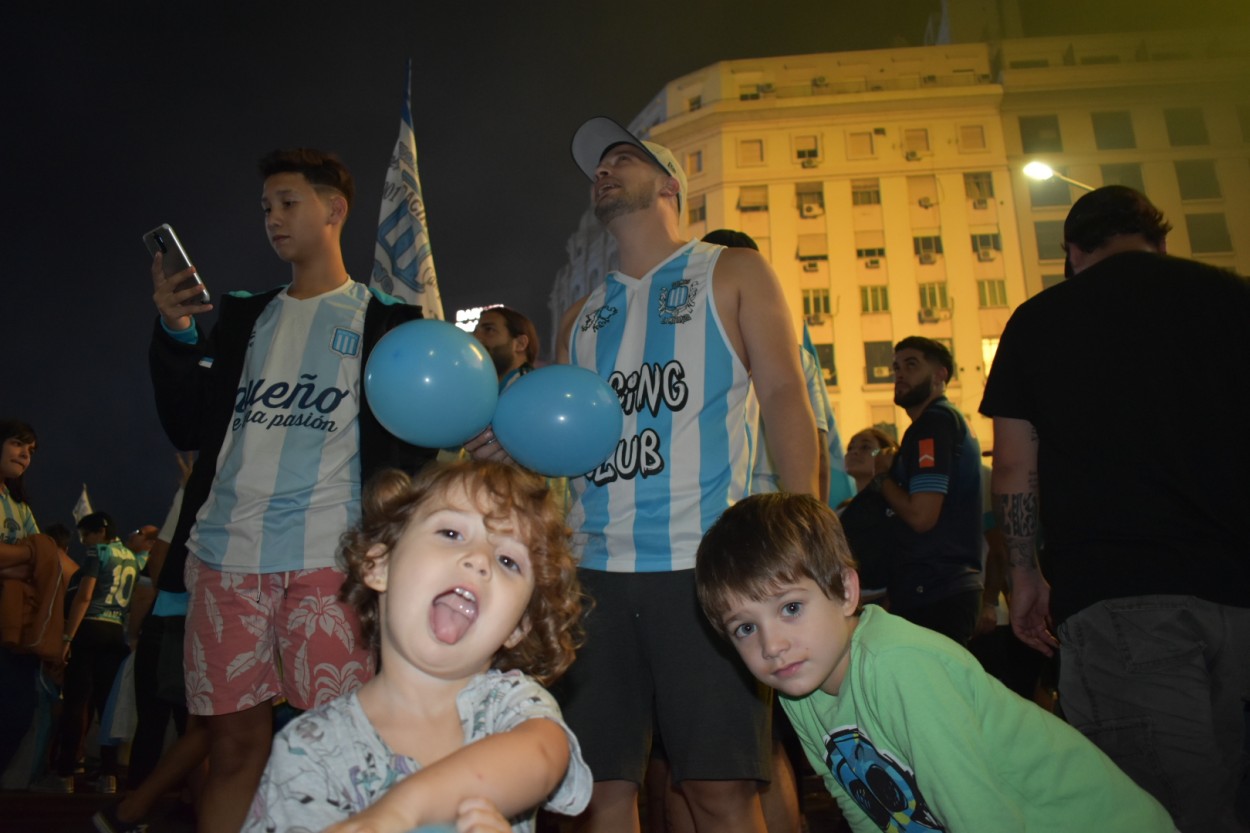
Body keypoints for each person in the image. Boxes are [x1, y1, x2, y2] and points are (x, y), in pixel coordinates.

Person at [147, 147, 438, 833]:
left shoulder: (388, 324)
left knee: (347, 745)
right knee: (231, 747)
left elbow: (418, 438)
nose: (273, 219)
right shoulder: (247, 316)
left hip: (329, 561)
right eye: (266, 208)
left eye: (288, 203)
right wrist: (175, 332)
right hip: (227, 558)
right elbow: (187, 422)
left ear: (334, 210)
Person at [553, 117, 819, 833]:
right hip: (593, 573)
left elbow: (786, 396)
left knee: (719, 791)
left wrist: (808, 534)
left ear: (670, 183)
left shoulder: (730, 272)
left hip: (701, 568)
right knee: (600, 791)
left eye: (622, 159)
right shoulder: (579, 316)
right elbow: (559, 444)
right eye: (597, 166)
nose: (603, 171)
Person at [980, 185, 1250, 831]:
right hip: (1240, 591)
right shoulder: (1233, 298)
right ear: (1160, 237)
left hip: (1119, 600)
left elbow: (1015, 465)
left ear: (1073, 251)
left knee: (1154, 808)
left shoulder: (1040, 319)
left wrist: (1024, 578)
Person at [694, 492, 1176, 831]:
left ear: (845, 591)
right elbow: (861, 802)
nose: (772, 645)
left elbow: (980, 816)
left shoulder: (899, 666)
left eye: (790, 608)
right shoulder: (799, 685)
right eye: (745, 628)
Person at [244, 460, 591, 833]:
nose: (478, 560)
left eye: (508, 560)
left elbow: (541, 757)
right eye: (452, 533)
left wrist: (402, 809)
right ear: (379, 565)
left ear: (518, 627)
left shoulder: (508, 707)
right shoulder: (310, 749)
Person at [868, 336, 982, 644]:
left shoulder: (932, 426)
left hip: (935, 591)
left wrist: (881, 478)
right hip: (939, 588)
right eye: (896, 367)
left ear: (941, 374)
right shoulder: (946, 423)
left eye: (912, 364)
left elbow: (921, 516)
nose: (899, 374)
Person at [43, 512, 142, 794]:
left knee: (76, 703)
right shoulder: (132, 558)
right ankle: (108, 774)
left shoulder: (98, 552)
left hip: (89, 630)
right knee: (107, 707)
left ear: (100, 531)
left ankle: (63, 774)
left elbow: (85, 596)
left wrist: (66, 638)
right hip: (115, 633)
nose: (84, 540)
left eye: (87, 534)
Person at [0, 419, 42, 775]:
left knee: (17, 712)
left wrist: (25, 558)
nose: (25, 456)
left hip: (13, 624)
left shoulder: (19, 507)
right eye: (17, 445)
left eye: (30, 452)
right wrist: (29, 555)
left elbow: (47, 563)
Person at [836, 428, 898, 599]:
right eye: (850, 448)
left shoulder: (898, 504)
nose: (854, 452)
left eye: (865, 447)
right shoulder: (842, 510)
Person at [474, 305, 540, 390]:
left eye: (489, 330)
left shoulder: (536, 388)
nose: (476, 338)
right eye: (475, 332)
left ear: (520, 344)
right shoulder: (482, 391)